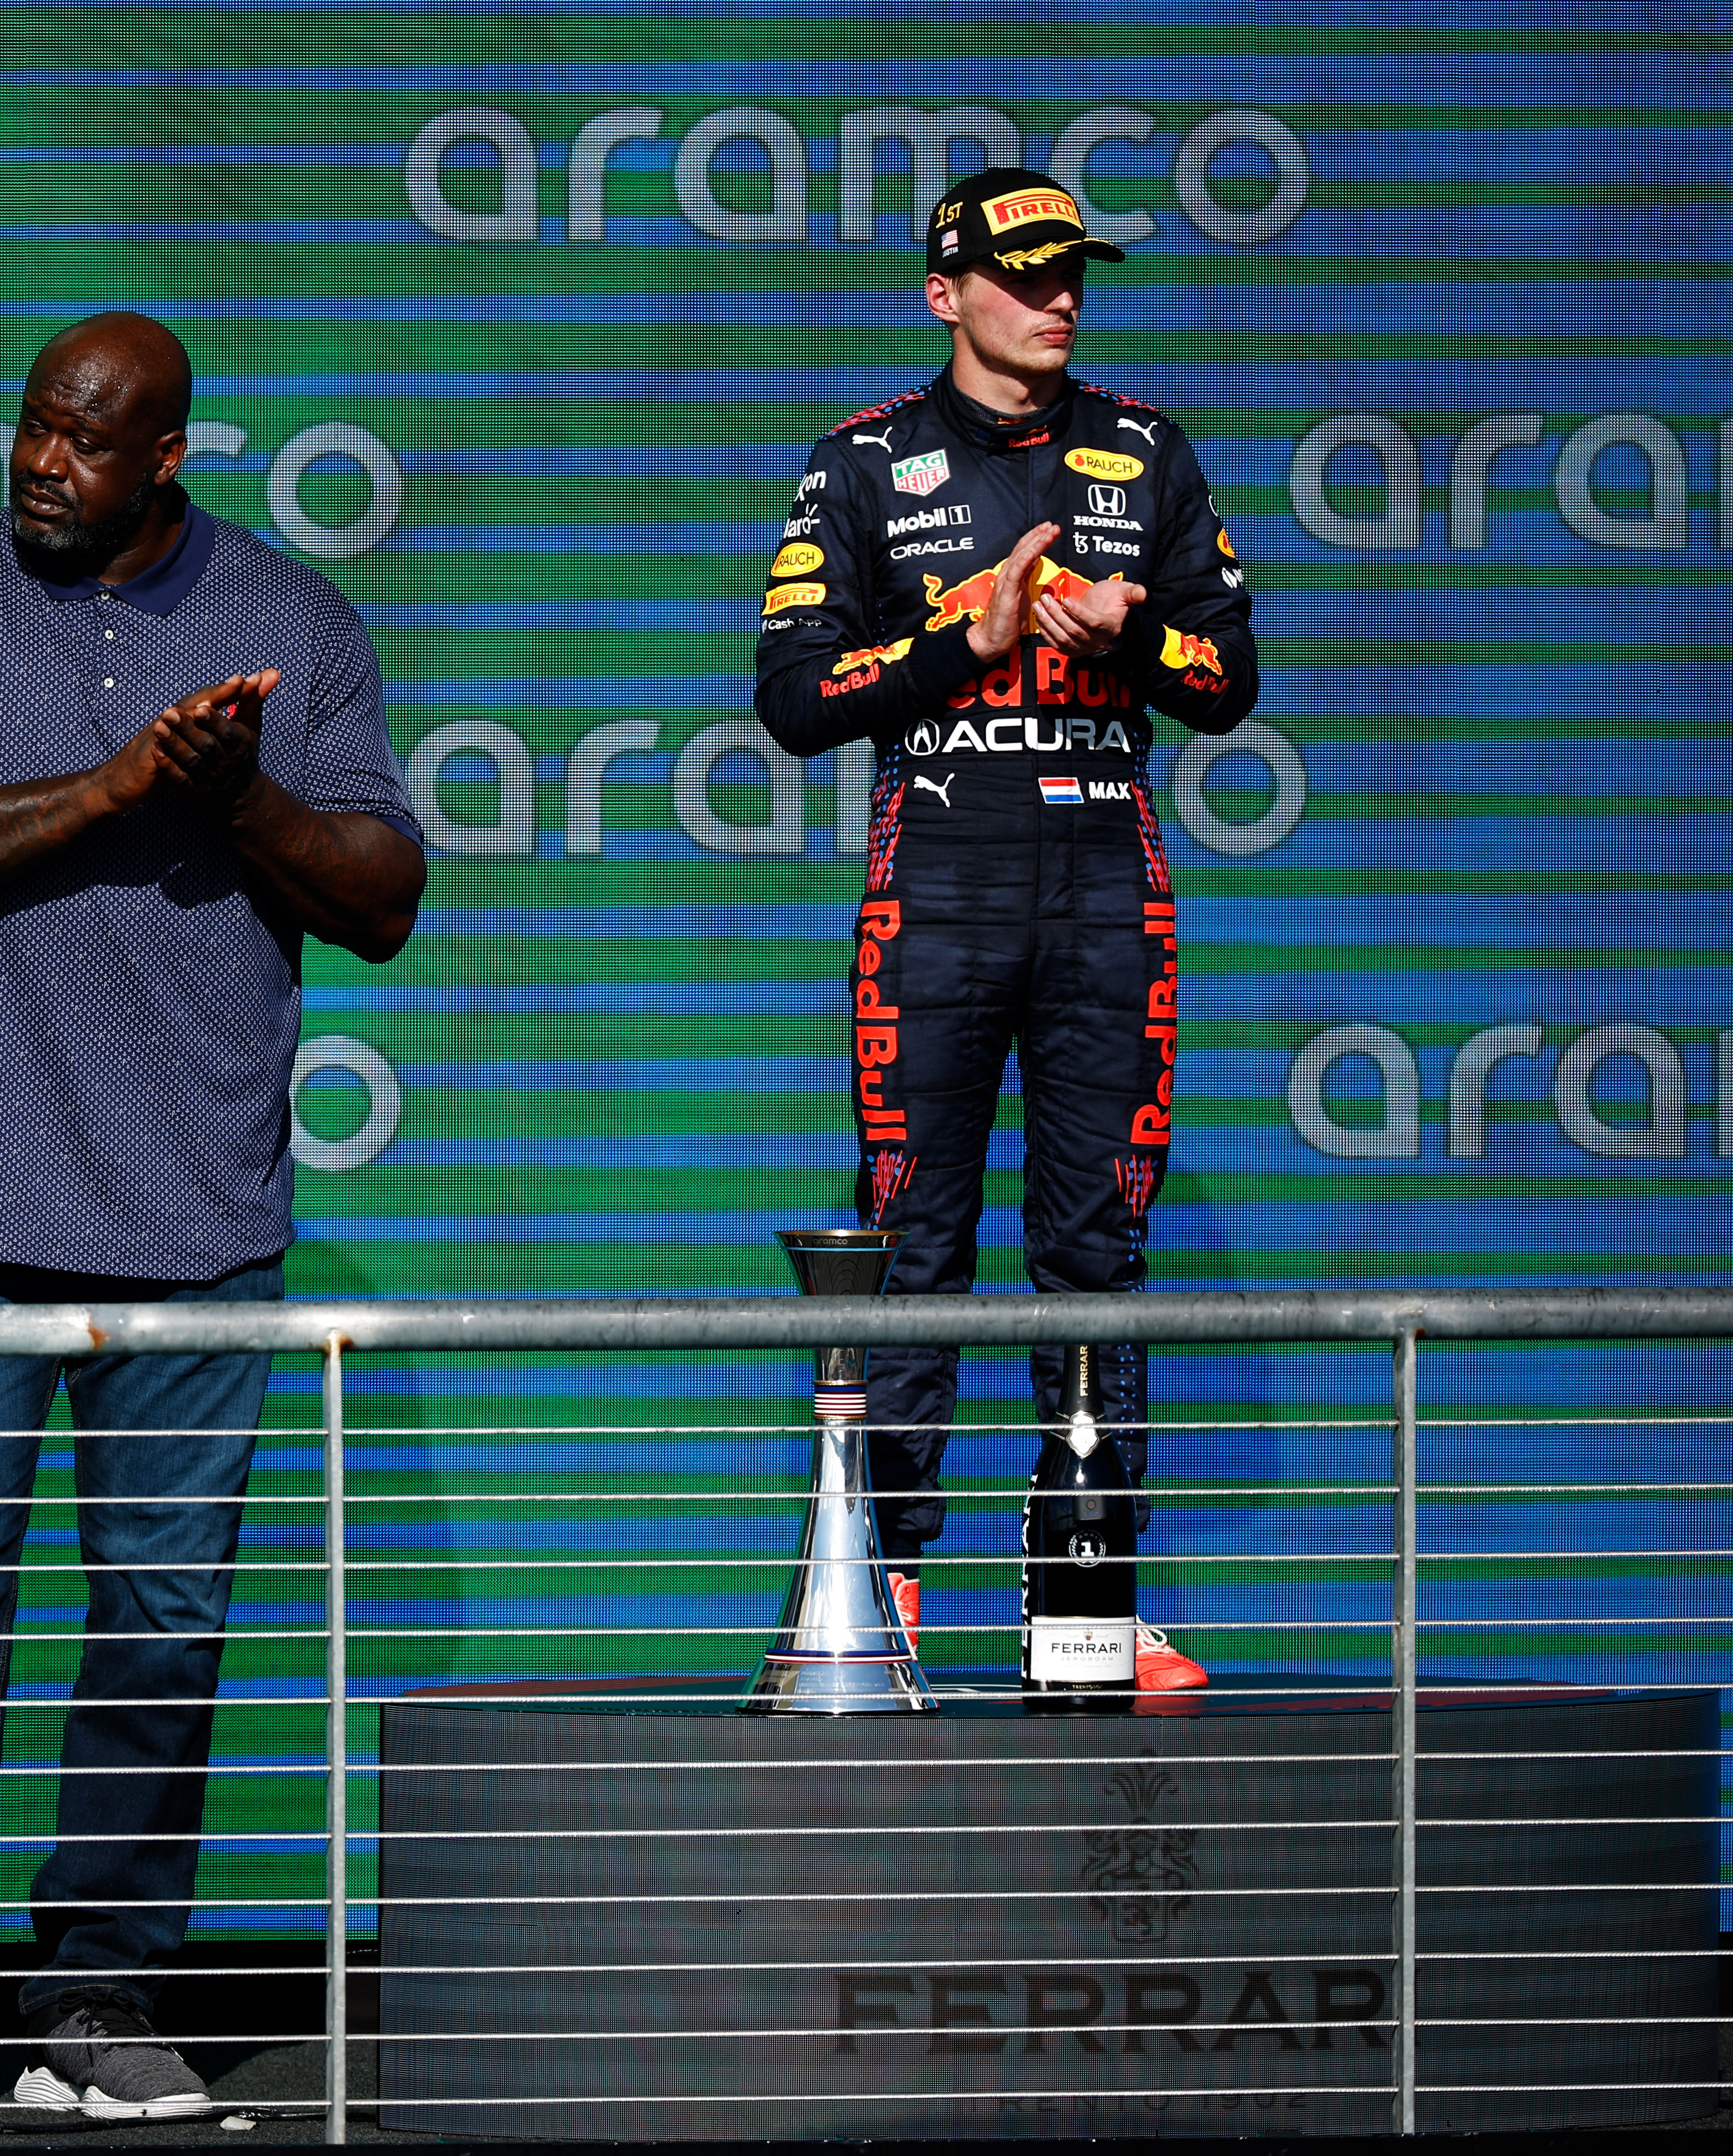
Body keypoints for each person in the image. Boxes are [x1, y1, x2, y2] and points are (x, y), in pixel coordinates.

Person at [0, 312, 424, 2120]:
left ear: (170, 457)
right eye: (29, 429)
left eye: (84, 442)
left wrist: (237, 801)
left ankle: (100, 1997)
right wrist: (114, 789)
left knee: (161, 1619)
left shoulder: (293, 624)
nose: (40, 464)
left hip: (195, 1222)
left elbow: (381, 891)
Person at [752, 168, 1260, 1689]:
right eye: (1024, 272)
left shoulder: (1144, 451)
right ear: (943, 291)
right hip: (940, 884)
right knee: (912, 1239)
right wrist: (951, 641)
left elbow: (1228, 677)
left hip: (1107, 881)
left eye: (1071, 275)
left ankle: (1083, 1615)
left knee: (1095, 1249)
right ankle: (879, 1595)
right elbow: (789, 699)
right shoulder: (861, 465)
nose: (1055, 298)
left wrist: (1135, 635)